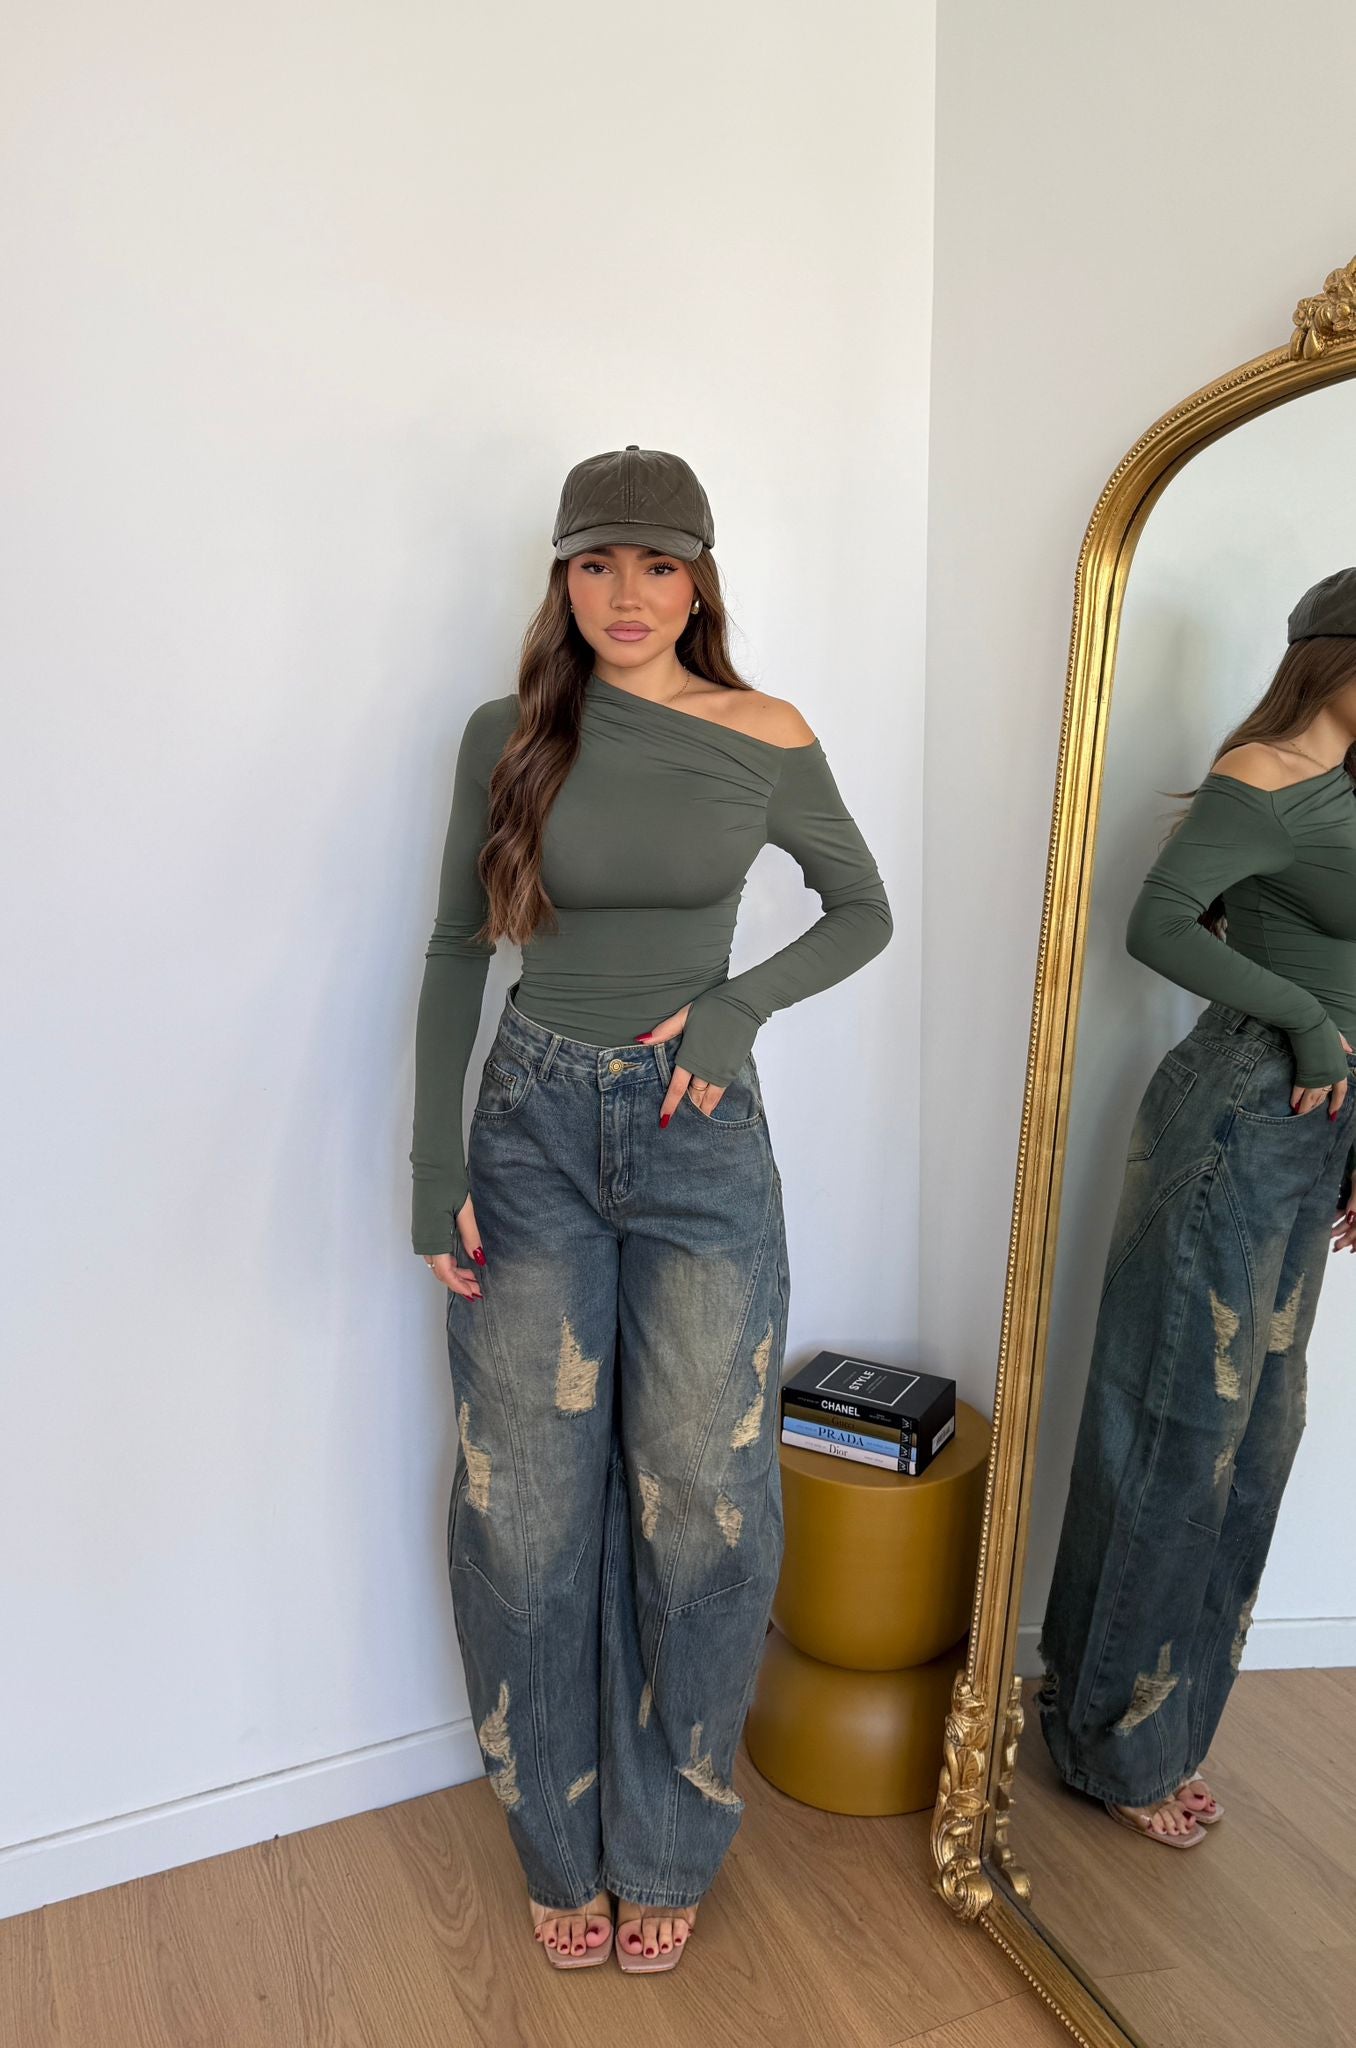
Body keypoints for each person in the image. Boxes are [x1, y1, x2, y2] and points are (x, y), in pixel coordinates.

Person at [409, 445, 893, 1968]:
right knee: (525, 1513)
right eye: (597, 563)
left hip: (699, 1138)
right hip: (530, 1133)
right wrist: (432, 1171)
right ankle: (559, 1848)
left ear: (699, 582)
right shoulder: (507, 733)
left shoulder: (766, 733)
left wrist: (736, 1010)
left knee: (704, 1506)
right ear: (563, 576)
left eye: (658, 565)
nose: (626, 594)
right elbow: (454, 951)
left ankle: (670, 1842)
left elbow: (864, 909)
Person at [1037, 567, 1356, 1849]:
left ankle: (1155, 1727)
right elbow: (1157, 923)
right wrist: (1309, 1022)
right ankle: (1107, 1741)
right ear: (1335, 655)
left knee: (1259, 1437)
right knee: (1178, 1429)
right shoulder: (1266, 774)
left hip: (1315, 1130)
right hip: (1239, 1112)